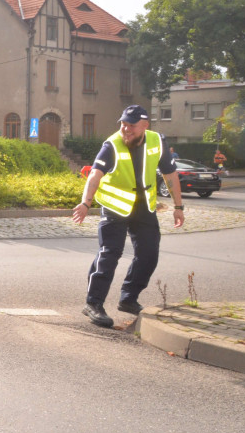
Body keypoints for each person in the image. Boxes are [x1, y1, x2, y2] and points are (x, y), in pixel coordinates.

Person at [72, 104, 185, 328]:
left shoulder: (157, 142)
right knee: (109, 254)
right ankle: (93, 304)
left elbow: (170, 174)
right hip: (115, 208)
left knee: (149, 254)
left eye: (131, 125)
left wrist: (178, 206)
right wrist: (86, 202)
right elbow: (95, 174)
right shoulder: (112, 144)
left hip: (144, 208)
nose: (126, 129)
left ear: (145, 125)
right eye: (123, 124)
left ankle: (128, 298)